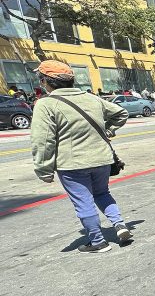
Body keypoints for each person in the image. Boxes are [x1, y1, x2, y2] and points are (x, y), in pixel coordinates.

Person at [29, 61, 134, 253]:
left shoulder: (46, 104)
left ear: (45, 81)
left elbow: (42, 141)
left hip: (72, 164)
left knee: (83, 202)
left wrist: (43, 169)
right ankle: (120, 225)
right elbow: (121, 113)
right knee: (102, 193)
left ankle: (98, 242)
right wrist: (108, 130)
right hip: (102, 159)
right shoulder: (91, 98)